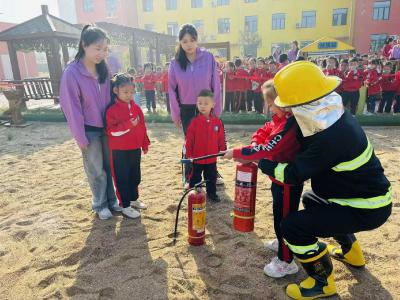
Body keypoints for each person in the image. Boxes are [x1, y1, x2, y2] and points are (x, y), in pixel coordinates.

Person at [257, 61, 392, 299]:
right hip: (367, 200)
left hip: (365, 208)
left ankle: (322, 280)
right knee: (312, 199)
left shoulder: (330, 137)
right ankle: (352, 252)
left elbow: (293, 173)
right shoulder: (335, 117)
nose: (287, 111)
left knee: (293, 227)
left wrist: (261, 162)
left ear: (304, 103)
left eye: (290, 107)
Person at [223, 80, 304, 278]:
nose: (268, 107)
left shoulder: (291, 124)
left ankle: (286, 261)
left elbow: (269, 148)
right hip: (278, 180)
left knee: (283, 219)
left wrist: (236, 152)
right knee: (279, 214)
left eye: (271, 103)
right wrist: (254, 143)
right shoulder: (280, 119)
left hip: (287, 182)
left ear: (284, 103)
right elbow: (265, 131)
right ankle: (282, 241)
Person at [60, 25, 121, 220]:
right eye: (97, 48)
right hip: (89, 130)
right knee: (96, 169)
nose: (102, 53)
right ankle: (100, 203)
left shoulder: (104, 68)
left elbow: (112, 98)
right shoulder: (72, 73)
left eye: (105, 49)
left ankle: (112, 201)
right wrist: (79, 136)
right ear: (84, 45)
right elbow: (71, 107)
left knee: (109, 166)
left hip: (107, 127)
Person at [168, 24, 222, 186]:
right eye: (185, 41)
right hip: (187, 109)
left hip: (207, 108)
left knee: (209, 141)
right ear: (180, 43)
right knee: (191, 143)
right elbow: (171, 89)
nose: (189, 44)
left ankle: (213, 173)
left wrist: (216, 107)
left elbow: (216, 83)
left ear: (197, 40)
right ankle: (189, 176)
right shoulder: (175, 62)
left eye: (192, 40)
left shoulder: (208, 58)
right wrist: (175, 113)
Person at [105, 73, 150, 219]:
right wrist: (129, 125)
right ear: (116, 90)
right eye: (125, 92)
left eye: (131, 92)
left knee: (134, 175)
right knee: (122, 178)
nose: (129, 95)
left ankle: (133, 200)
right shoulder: (112, 110)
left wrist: (144, 143)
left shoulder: (136, 108)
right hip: (119, 150)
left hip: (134, 148)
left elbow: (142, 126)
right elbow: (111, 131)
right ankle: (125, 206)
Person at [185, 90, 226, 202]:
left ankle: (212, 194)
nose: (202, 106)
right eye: (200, 103)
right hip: (197, 158)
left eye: (206, 103)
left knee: (211, 177)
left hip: (211, 158)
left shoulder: (217, 122)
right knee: (195, 177)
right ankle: (193, 193)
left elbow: (221, 137)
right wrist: (189, 154)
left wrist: (223, 149)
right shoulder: (194, 122)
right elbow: (189, 140)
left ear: (213, 104)